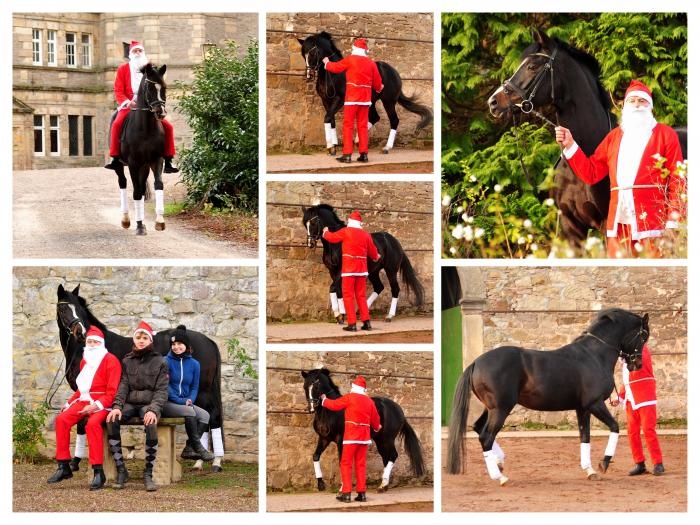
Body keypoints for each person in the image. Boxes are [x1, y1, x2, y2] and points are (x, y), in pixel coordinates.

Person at [555, 79, 685, 258]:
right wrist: (570, 144)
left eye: (642, 101)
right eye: (632, 101)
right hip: (619, 224)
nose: (637, 105)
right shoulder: (613, 137)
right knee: (618, 277)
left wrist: (673, 222)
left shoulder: (665, 135)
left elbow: (677, 179)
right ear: (624, 106)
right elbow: (591, 172)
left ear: (650, 107)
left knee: (654, 277)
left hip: (654, 224)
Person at [48, 326, 122, 490]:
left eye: (96, 342)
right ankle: (64, 466)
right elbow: (82, 389)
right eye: (90, 341)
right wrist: (68, 404)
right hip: (84, 400)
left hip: (103, 403)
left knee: (92, 424)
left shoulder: (111, 360)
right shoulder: (85, 360)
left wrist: (95, 406)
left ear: (101, 343)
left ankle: (98, 472)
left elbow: (112, 392)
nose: (92, 344)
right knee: (62, 420)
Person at [106, 321, 169, 491]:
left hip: (148, 404)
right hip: (130, 403)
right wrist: (117, 406)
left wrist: (153, 410)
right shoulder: (127, 361)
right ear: (135, 340)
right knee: (112, 419)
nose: (141, 340)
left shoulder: (160, 361)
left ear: (150, 340)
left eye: (145, 338)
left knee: (150, 422)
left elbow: (162, 391)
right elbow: (123, 385)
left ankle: (148, 472)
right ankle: (121, 470)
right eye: (138, 337)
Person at [104, 41, 179, 174]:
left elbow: (158, 86)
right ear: (130, 54)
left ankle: (168, 159)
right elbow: (118, 90)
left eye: (140, 51)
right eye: (135, 51)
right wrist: (127, 102)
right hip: (129, 105)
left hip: (149, 106)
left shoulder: (152, 69)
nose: (138, 53)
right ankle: (115, 158)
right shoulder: (123, 69)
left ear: (143, 52)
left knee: (169, 127)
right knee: (116, 123)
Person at [320, 376, 382, 502]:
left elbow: (335, 405)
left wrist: (324, 400)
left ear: (354, 387)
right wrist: (377, 427)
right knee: (361, 465)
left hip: (351, 437)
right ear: (364, 389)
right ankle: (361, 493)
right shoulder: (370, 401)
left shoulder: (350, 397)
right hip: (364, 438)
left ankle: (346, 493)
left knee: (346, 464)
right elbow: (375, 420)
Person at [322, 38, 384, 163]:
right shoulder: (371, 63)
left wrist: (327, 63)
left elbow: (336, 67)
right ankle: (364, 154)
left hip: (352, 99)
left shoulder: (350, 59)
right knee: (362, 126)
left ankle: (347, 155)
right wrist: (379, 88)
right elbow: (378, 83)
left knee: (348, 126)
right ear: (365, 50)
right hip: (365, 99)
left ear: (354, 48)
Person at [161, 325, 214, 462]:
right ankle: (199, 448)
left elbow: (194, 387)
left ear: (186, 345)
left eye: (179, 343)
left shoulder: (194, 364)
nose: (176, 347)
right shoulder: (165, 362)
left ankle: (189, 448)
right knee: (190, 412)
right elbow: (166, 387)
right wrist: (182, 402)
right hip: (167, 403)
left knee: (205, 415)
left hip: (185, 403)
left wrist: (190, 399)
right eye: (173, 344)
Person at [609, 344, 665, 475]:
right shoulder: (627, 353)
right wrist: (620, 397)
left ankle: (658, 463)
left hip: (645, 395)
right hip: (631, 398)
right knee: (632, 432)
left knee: (648, 430)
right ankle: (639, 463)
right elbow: (627, 381)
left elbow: (638, 367)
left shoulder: (642, 349)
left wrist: (624, 357)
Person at [322, 210, 381, 332]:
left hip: (349, 269)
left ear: (349, 221)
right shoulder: (366, 235)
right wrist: (377, 257)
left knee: (348, 296)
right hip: (362, 270)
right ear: (360, 223)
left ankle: (352, 324)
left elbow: (332, 238)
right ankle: (366, 323)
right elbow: (373, 252)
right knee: (361, 295)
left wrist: (325, 232)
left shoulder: (345, 232)